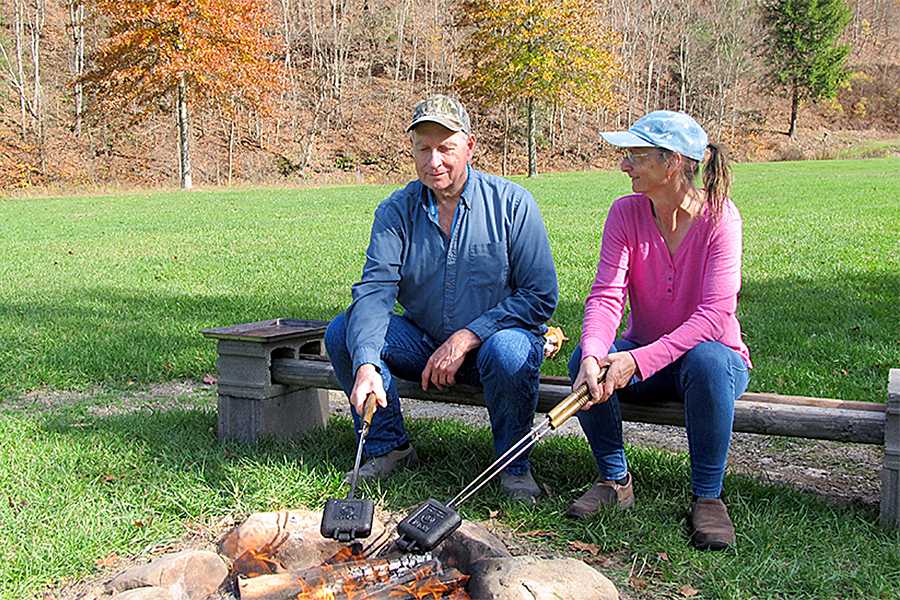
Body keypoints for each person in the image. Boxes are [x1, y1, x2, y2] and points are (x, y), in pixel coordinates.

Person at [324, 95, 558, 502]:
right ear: (412, 151)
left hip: (494, 346)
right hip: (426, 345)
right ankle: (389, 446)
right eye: (424, 149)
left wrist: (469, 335)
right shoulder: (396, 211)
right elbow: (375, 290)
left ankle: (513, 466)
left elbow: (540, 295)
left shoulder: (512, 203)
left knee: (509, 350)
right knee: (345, 330)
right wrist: (365, 364)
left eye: (445, 148)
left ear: (469, 146)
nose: (434, 161)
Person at [566, 110, 751, 550]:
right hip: (644, 359)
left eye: (636, 155)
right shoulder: (625, 213)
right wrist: (595, 353)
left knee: (707, 359)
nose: (624, 164)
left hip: (712, 364)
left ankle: (708, 497)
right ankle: (615, 481)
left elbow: (714, 317)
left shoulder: (721, 219)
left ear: (673, 163)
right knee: (582, 359)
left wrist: (637, 359)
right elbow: (607, 296)